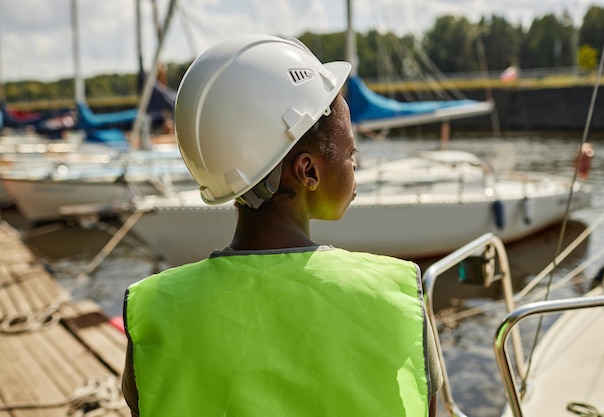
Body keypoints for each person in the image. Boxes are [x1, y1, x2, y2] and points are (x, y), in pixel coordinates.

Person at [122, 34, 443, 417]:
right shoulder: (397, 294)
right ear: (307, 170)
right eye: (350, 152)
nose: (355, 164)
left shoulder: (153, 310)